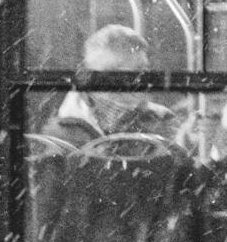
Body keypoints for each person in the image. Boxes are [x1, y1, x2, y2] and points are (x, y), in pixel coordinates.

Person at [40, 23, 176, 150]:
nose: (146, 78)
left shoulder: (161, 118)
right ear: (110, 77)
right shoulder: (60, 133)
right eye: (139, 71)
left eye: (147, 69)